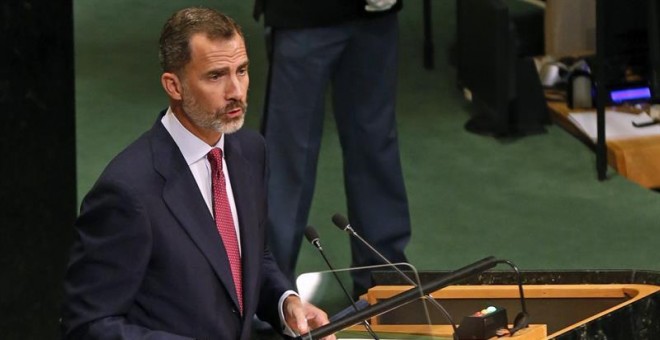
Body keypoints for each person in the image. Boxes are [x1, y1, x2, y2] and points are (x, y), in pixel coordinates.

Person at [60, 7, 335, 340]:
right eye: (216, 76)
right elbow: (88, 324)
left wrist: (283, 301)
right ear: (174, 86)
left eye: (243, 70)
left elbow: (248, 260)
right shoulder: (127, 192)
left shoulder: (250, 151)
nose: (236, 91)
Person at [254, 0, 412, 296]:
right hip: (302, 19)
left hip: (375, 18)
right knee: (288, 157)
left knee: (375, 145)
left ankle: (382, 279)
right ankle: (269, 292)